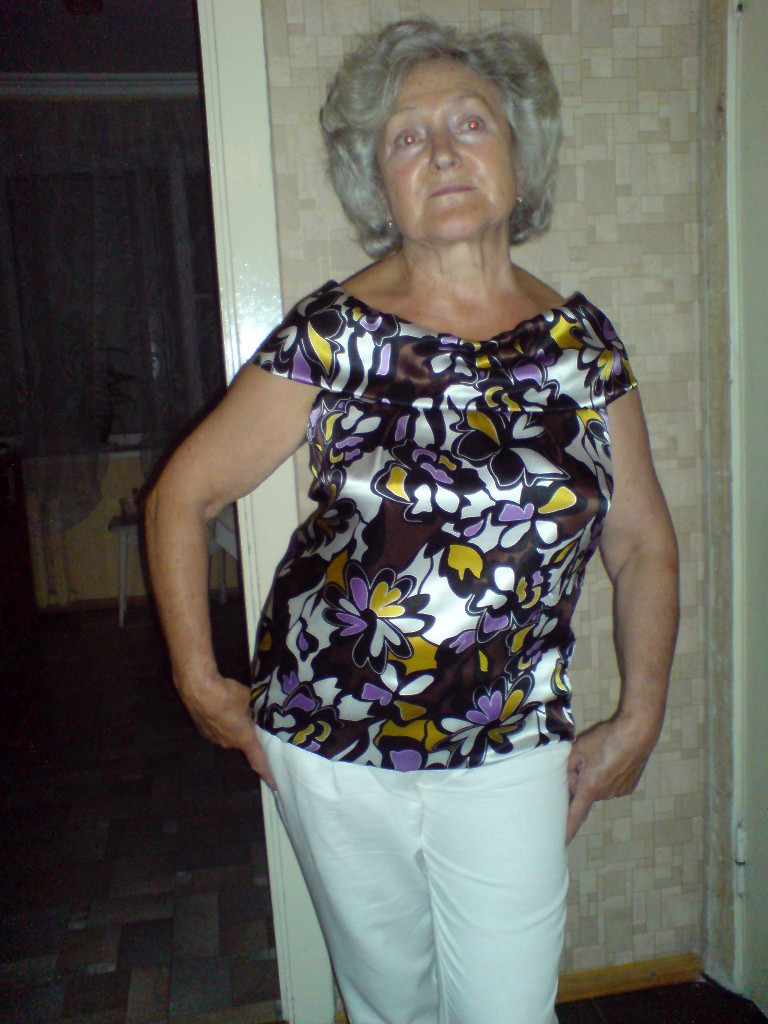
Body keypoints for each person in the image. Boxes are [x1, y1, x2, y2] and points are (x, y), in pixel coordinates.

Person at [145, 18, 679, 1024]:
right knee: (390, 1003)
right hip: (328, 736)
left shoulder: (584, 348)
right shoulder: (332, 332)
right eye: (406, 136)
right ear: (376, 184)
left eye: (469, 123)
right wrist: (198, 681)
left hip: (510, 738)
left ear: (519, 153)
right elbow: (184, 494)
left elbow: (643, 543)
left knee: (510, 1008)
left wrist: (641, 713)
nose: (440, 152)